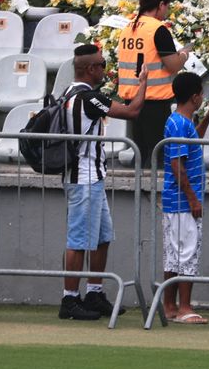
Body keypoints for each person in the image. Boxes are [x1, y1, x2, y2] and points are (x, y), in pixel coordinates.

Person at [58, 44, 147, 320]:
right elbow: (132, 111)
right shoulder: (86, 98)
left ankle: (94, 292)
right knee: (78, 240)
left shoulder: (68, 93)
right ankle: (69, 299)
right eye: (100, 65)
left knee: (102, 237)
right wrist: (143, 82)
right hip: (83, 176)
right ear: (88, 69)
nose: (104, 69)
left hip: (92, 175)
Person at [161, 72, 209, 325]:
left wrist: (207, 118)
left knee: (176, 253)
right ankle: (183, 307)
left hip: (179, 200)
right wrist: (193, 199)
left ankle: (170, 306)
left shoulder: (182, 122)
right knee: (185, 254)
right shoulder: (177, 123)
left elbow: (192, 141)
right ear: (195, 96)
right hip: (182, 201)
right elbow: (177, 165)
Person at [117, 0, 191, 169]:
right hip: (154, 101)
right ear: (160, 4)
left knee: (140, 151)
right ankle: (153, 194)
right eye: (166, 6)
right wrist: (184, 54)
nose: (166, 11)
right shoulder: (158, 29)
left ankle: (137, 192)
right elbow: (173, 66)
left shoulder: (128, 28)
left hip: (132, 100)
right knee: (157, 153)